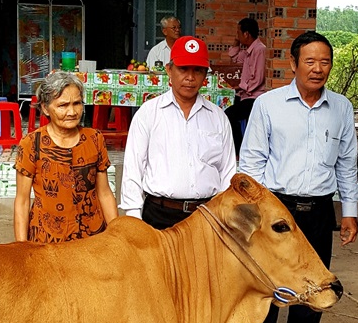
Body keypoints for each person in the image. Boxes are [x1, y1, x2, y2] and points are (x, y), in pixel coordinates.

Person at [226, 30, 358, 323]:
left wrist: (349, 212)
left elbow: (346, 164)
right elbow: (252, 161)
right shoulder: (268, 105)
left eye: (325, 62)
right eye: (310, 61)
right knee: (264, 285)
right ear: (293, 64)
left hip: (318, 210)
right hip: (276, 210)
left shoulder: (341, 109)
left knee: (312, 285)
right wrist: (250, 213)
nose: (318, 69)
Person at [120, 36, 236, 229]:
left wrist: (224, 216)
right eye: (183, 69)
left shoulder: (218, 117)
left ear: (205, 75)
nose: (190, 77)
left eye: (197, 70)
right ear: (169, 70)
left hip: (206, 216)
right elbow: (133, 168)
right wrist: (134, 217)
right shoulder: (149, 113)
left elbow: (227, 172)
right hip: (159, 215)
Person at [13, 71, 118, 243]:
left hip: (92, 240)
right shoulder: (31, 144)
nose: (72, 112)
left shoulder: (94, 139)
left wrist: (117, 237)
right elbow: (22, 201)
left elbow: (104, 193)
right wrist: (21, 247)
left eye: (77, 103)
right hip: (47, 242)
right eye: (63, 105)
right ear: (45, 108)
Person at [225, 17, 267, 155]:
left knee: (230, 114)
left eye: (238, 33)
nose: (237, 35)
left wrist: (241, 87)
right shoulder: (249, 50)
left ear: (246, 34)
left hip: (255, 97)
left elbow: (258, 78)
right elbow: (234, 57)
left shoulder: (260, 50)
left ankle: (239, 150)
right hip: (245, 95)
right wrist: (236, 42)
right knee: (224, 108)